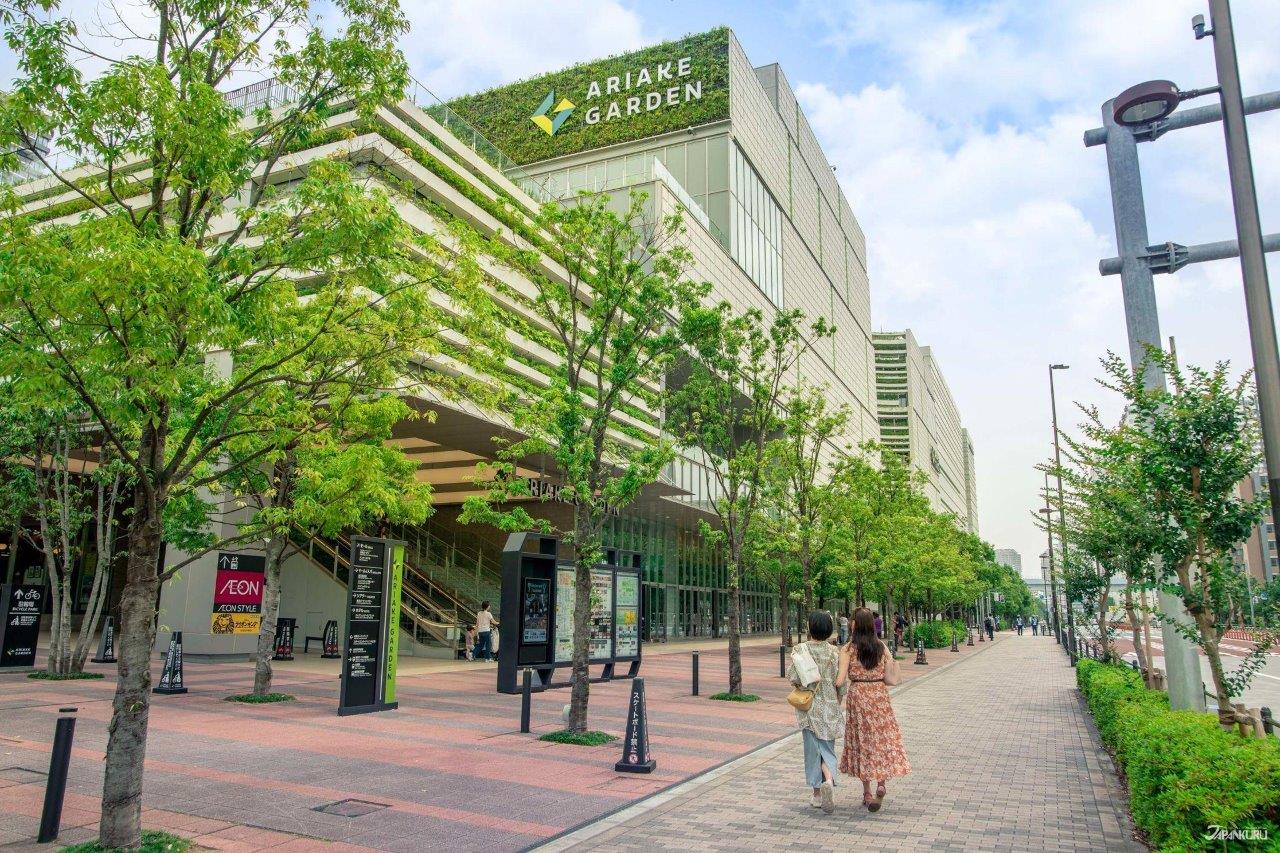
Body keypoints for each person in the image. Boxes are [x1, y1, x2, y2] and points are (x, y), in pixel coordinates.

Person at [839, 608, 910, 811]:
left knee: (863, 742)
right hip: (879, 695)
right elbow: (890, 669)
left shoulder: (848, 649)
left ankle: (867, 793)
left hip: (859, 696)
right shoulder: (881, 646)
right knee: (882, 740)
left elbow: (840, 679)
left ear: (854, 624)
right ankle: (881, 784)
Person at [788, 611, 844, 814]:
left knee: (813, 752)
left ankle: (817, 795)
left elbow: (793, 677)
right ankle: (828, 780)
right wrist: (838, 701)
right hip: (830, 706)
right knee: (827, 749)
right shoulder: (834, 652)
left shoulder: (801, 649)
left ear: (810, 628)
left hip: (809, 707)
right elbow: (841, 683)